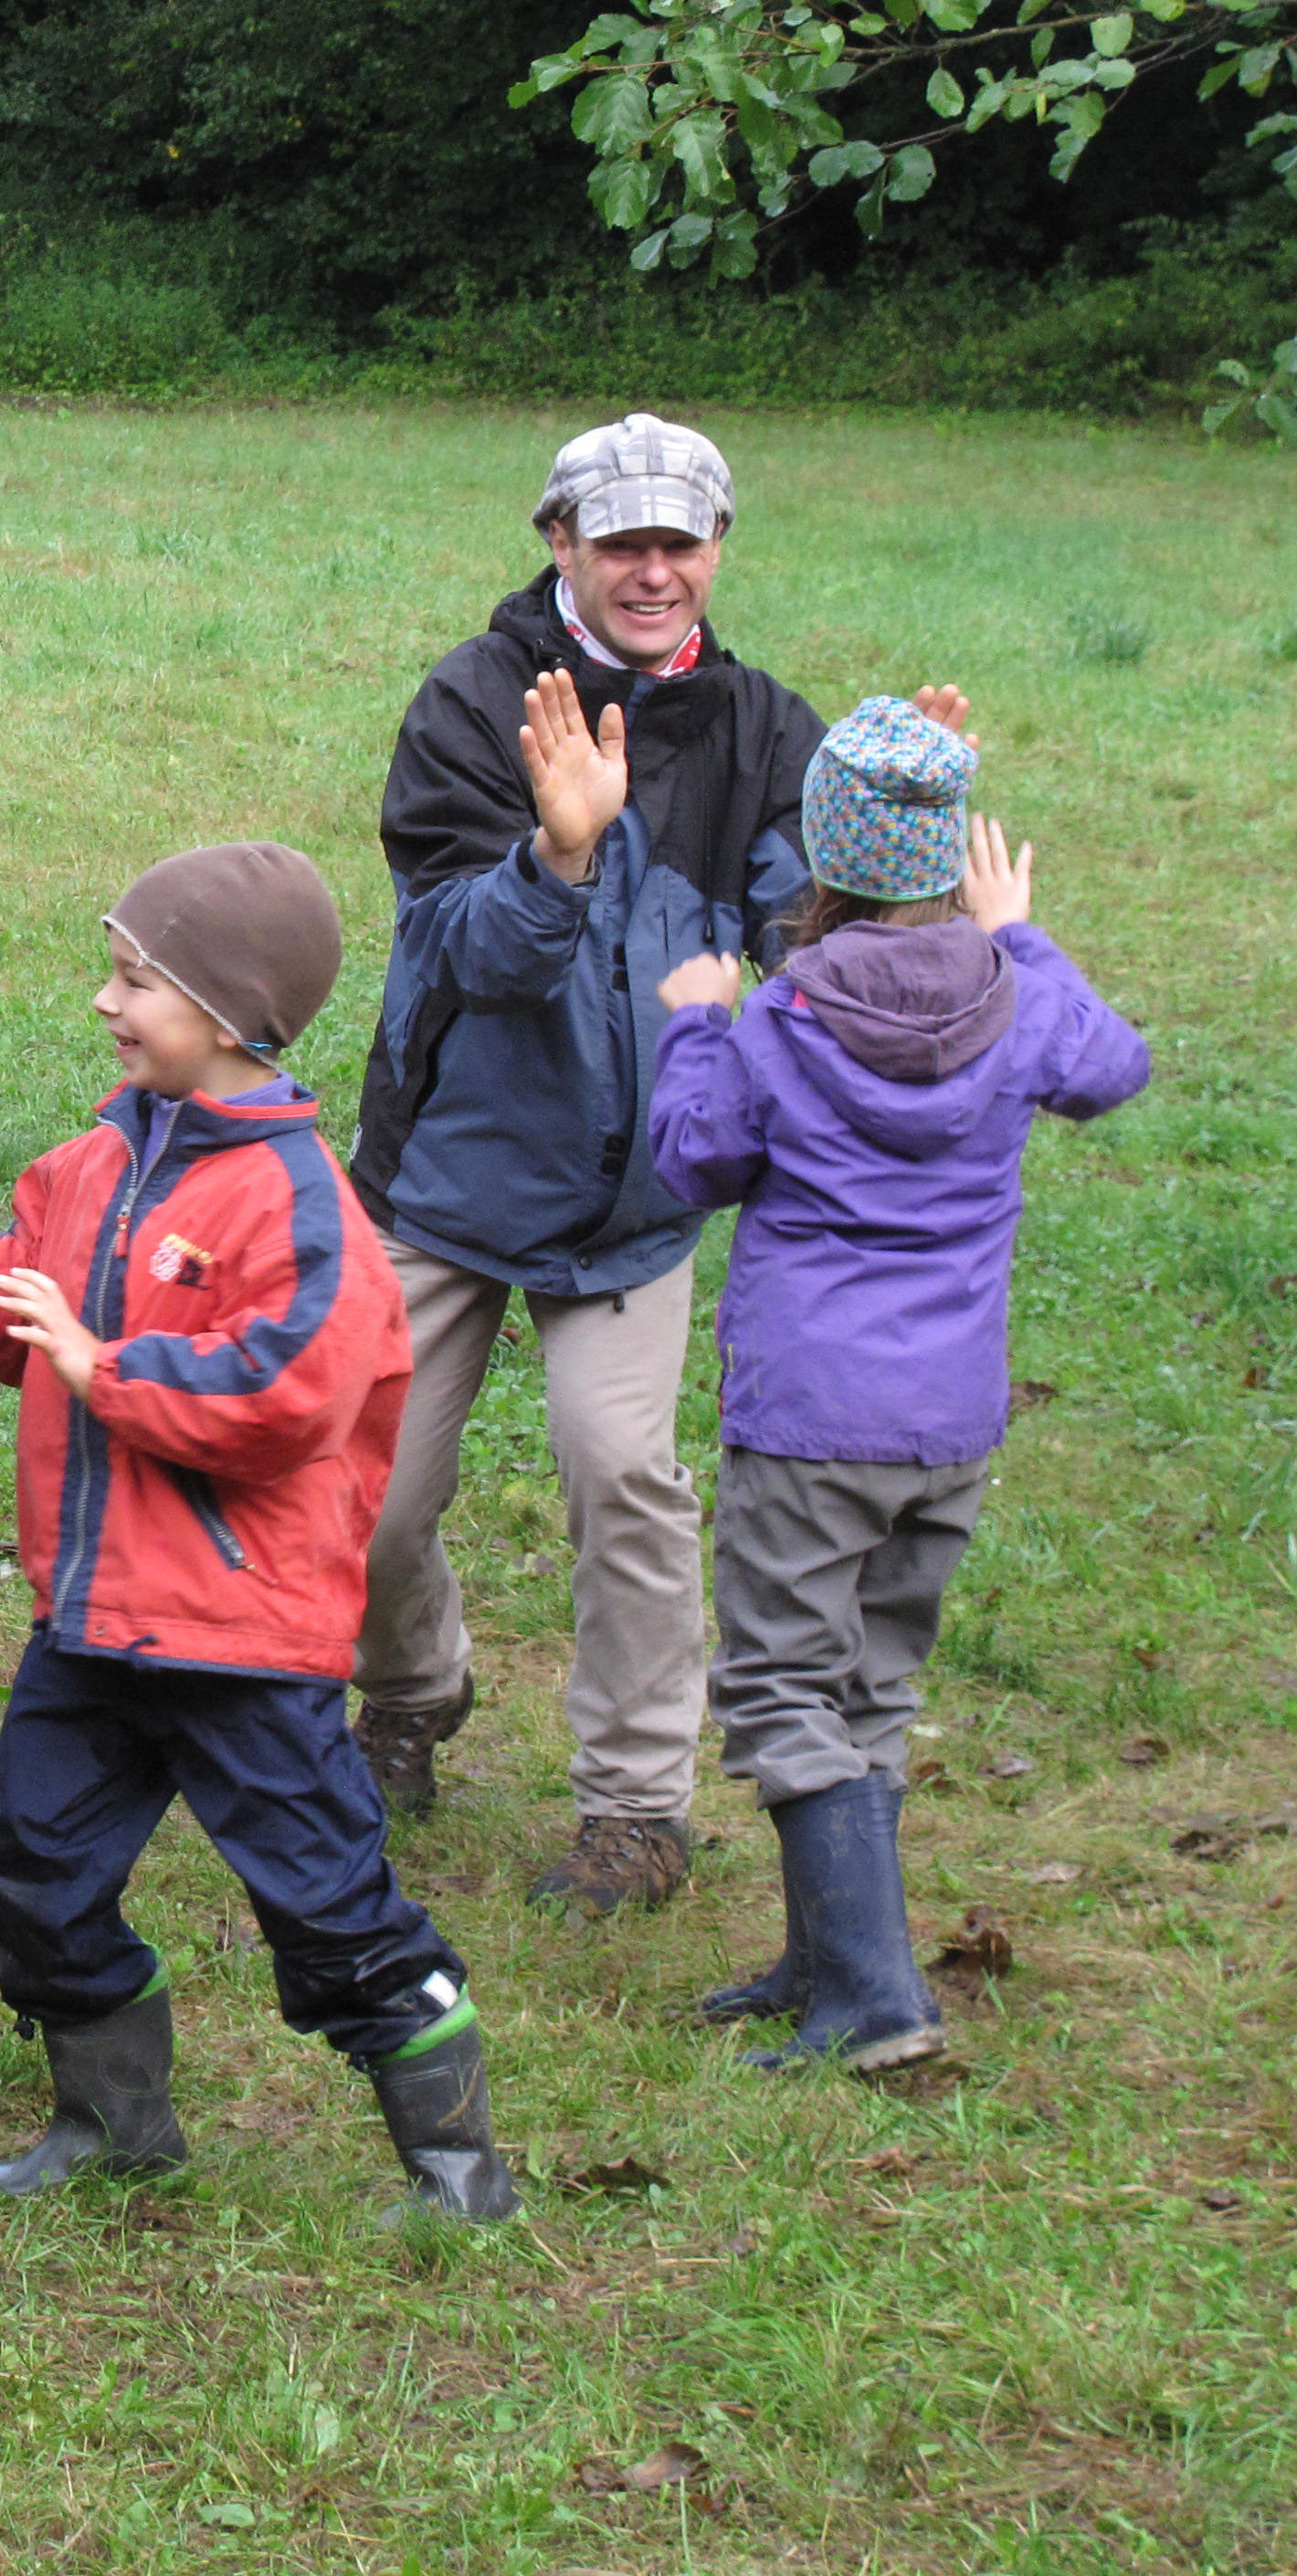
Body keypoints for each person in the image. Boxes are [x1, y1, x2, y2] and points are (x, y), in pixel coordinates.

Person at [347, 410, 963, 1917]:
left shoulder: (763, 730)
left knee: (627, 1478)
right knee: (370, 1498)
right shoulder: (471, 704)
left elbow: (811, 948)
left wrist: (904, 851)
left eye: (678, 541)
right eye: (619, 538)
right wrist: (558, 857)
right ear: (557, 540)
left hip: (638, 1202)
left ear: (715, 552)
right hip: (450, 1176)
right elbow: (461, 953)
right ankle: (410, 1699)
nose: (651, 569)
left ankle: (635, 1807)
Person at [0, 841, 518, 2222]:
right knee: (31, 1870)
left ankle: (460, 2173)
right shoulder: (92, 1160)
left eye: (138, 981)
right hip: (95, 1618)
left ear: (235, 1016)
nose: (107, 1005)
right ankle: (115, 2129)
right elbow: (37, 1329)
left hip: (244, 1637)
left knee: (326, 1907)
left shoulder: (306, 1207)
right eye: (114, 974)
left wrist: (103, 1365)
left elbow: (287, 1400)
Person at [649, 702, 1148, 2072]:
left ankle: (877, 2002)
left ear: (828, 845)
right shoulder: (1016, 991)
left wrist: (699, 1024)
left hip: (812, 1422)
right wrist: (1022, 932)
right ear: (949, 855)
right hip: (947, 1422)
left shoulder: (785, 1019)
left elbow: (692, 1163)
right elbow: (1116, 1067)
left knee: (778, 1689)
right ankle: (829, 1958)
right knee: (867, 1683)